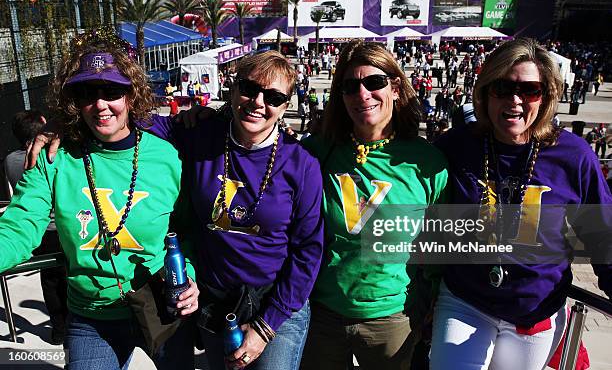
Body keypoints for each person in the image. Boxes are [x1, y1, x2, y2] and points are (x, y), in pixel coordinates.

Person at [15, 30, 199, 369]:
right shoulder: (54, 157)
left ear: (131, 95)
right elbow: (20, 224)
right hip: (92, 319)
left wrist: (189, 275)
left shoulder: (165, 158)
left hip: (161, 304)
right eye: (87, 93)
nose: (100, 104)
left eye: (112, 91)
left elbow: (188, 229)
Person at [430, 38, 612, 370]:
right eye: (502, 87)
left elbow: (602, 235)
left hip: (535, 309)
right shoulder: (456, 145)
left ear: (546, 98)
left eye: (530, 90)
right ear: (485, 93)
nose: (515, 100)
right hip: (465, 300)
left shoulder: (573, 155)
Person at [144, 50, 324, 369]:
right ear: (233, 89)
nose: (258, 101)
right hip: (217, 301)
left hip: (277, 304)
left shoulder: (301, 165)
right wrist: (62, 127)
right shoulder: (201, 135)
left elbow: (308, 251)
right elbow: (124, 121)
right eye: (249, 88)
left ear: (286, 106)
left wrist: (265, 327)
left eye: (273, 96)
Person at [300, 41, 448, 369]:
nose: (363, 94)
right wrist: (208, 118)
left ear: (395, 88)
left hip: (393, 319)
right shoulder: (315, 151)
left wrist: (432, 305)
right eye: (351, 86)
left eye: (375, 83)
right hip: (322, 315)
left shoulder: (428, 163)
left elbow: (440, 247)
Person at [4, 110, 69, 345]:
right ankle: (71, 327)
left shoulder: (11, 160)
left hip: (38, 232)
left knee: (49, 281)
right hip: (60, 227)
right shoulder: (53, 156)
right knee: (68, 278)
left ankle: (58, 329)